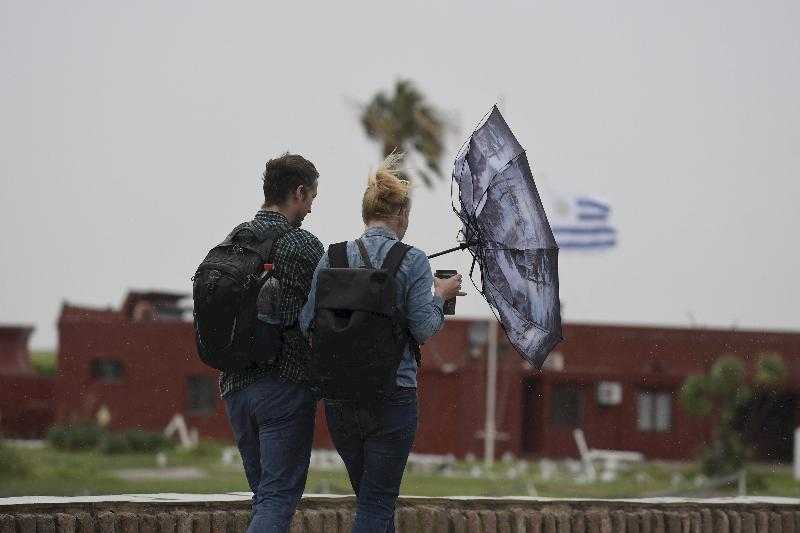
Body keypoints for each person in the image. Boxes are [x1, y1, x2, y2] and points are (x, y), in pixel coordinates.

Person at [299, 153, 463, 532]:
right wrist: (440, 295)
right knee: (376, 503)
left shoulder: (332, 257)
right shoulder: (414, 260)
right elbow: (423, 328)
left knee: (371, 499)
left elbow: (307, 321)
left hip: (340, 399)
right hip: (393, 395)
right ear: (402, 213)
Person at [220, 153, 323, 532]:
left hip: (234, 388)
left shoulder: (234, 239)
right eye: (311, 197)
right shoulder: (300, 245)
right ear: (298, 192)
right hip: (282, 386)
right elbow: (332, 305)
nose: (311, 208)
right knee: (278, 498)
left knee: (264, 496)